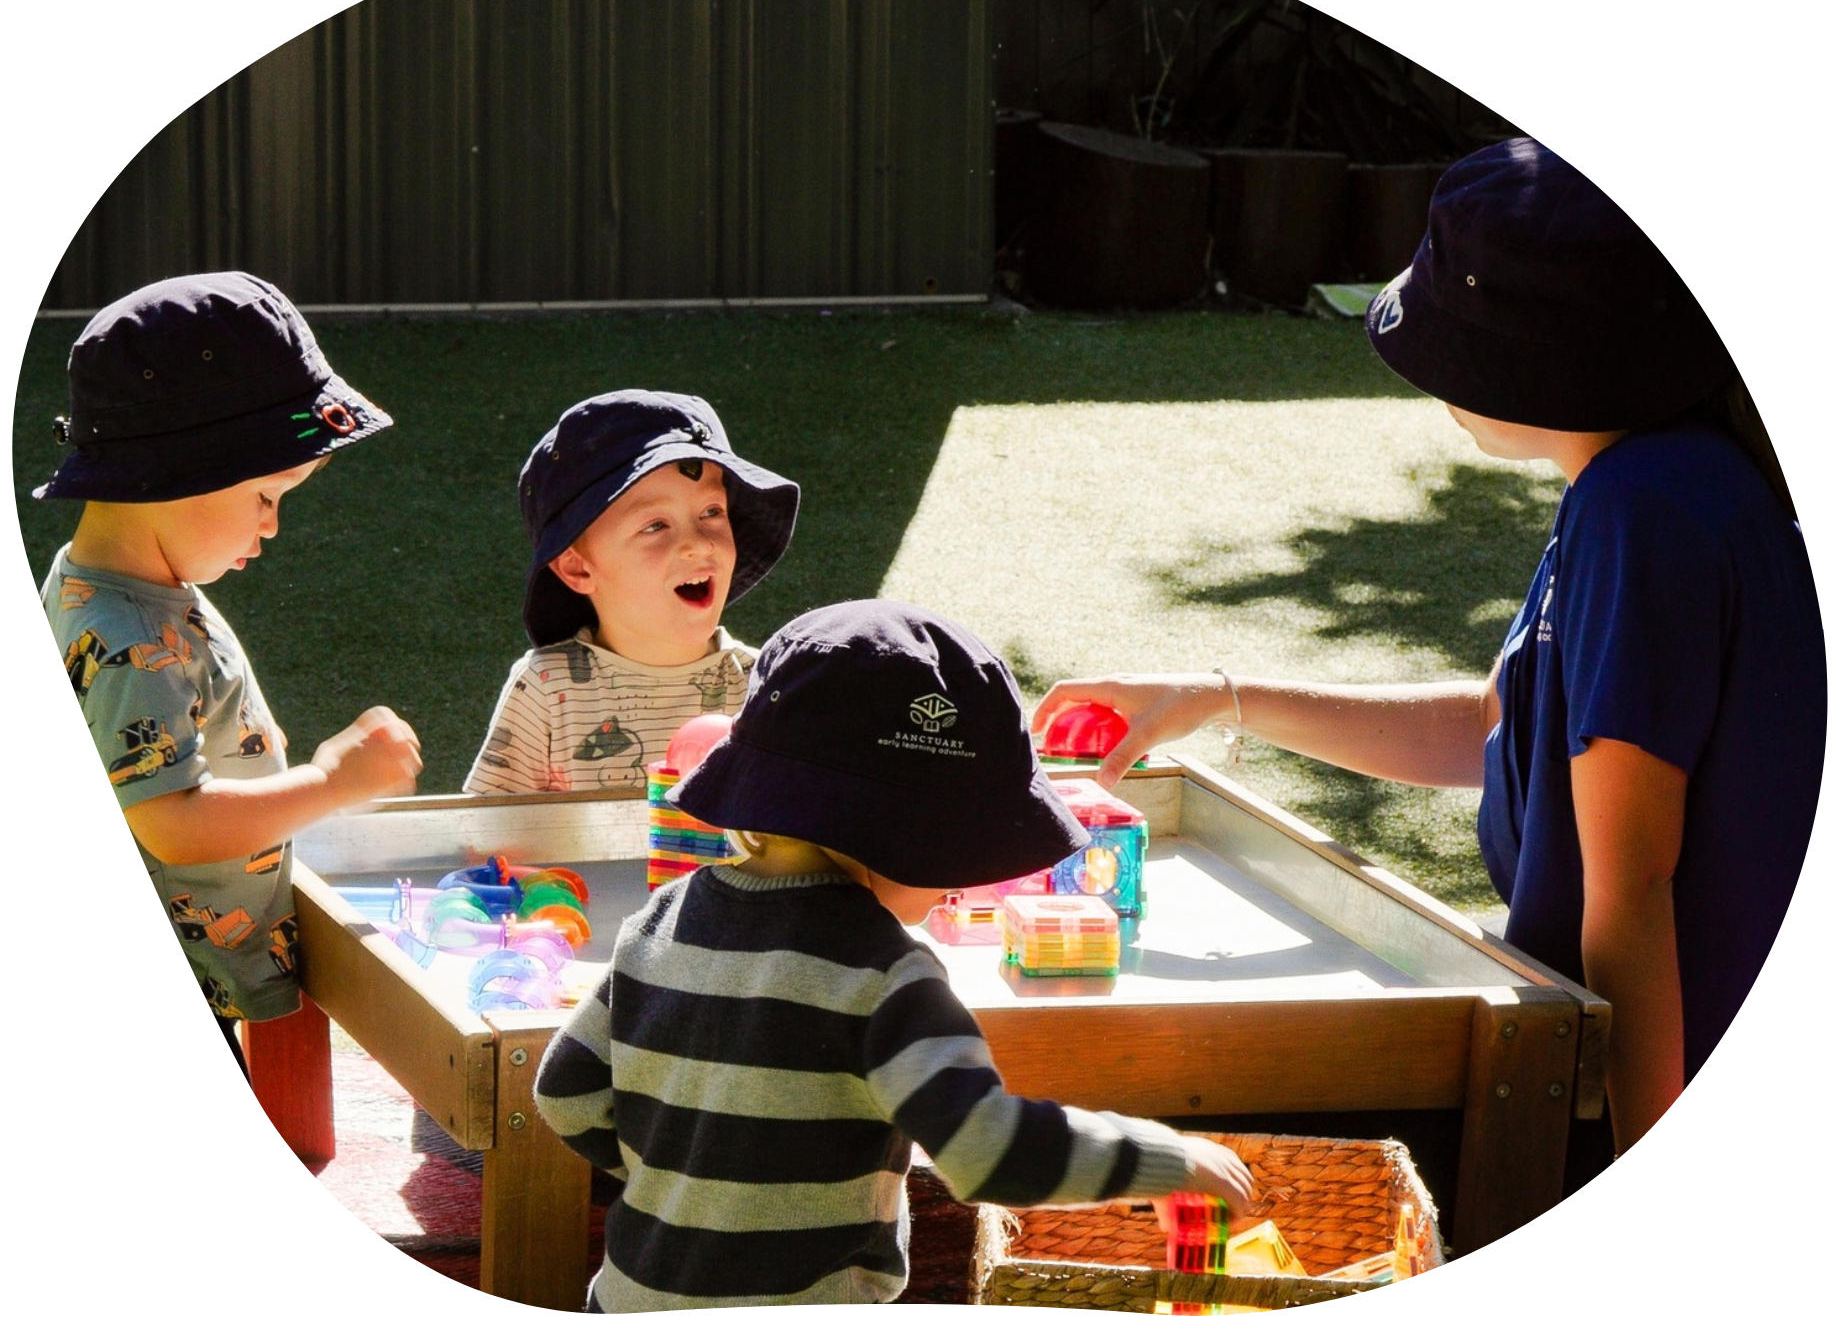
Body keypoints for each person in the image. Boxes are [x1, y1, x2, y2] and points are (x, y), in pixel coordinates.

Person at [1034, 139, 1824, 1169]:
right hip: (1577, 1036)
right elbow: (1500, 724)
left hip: (1619, 1080)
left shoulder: (1648, 514)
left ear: (1542, 361)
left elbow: (1633, 887)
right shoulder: (1649, 482)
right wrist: (1219, 697)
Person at [533, 599, 1255, 1310]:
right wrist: (1170, 1161)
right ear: (906, 835)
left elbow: (563, 1094)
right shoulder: (885, 977)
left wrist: (689, 1182)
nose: (956, 890)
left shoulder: (661, 918)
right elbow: (986, 1150)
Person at [35, 271, 424, 1080]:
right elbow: (172, 821)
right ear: (180, 470)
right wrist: (330, 779)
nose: (274, 525)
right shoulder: (121, 634)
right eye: (264, 495)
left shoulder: (123, 584)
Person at [464, 389, 799, 793]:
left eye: (711, 512)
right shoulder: (548, 688)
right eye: (655, 525)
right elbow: (491, 835)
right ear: (577, 566)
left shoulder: (765, 685)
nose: (699, 543)